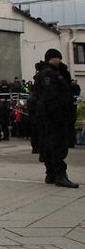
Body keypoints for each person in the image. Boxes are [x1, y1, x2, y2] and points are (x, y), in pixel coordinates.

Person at [35, 48, 78, 188]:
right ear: (51, 58)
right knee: (57, 145)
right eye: (57, 58)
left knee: (50, 145)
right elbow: (50, 96)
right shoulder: (48, 74)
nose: (59, 60)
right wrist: (58, 113)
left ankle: (52, 174)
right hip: (54, 117)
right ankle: (59, 175)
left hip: (51, 116)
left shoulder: (54, 73)